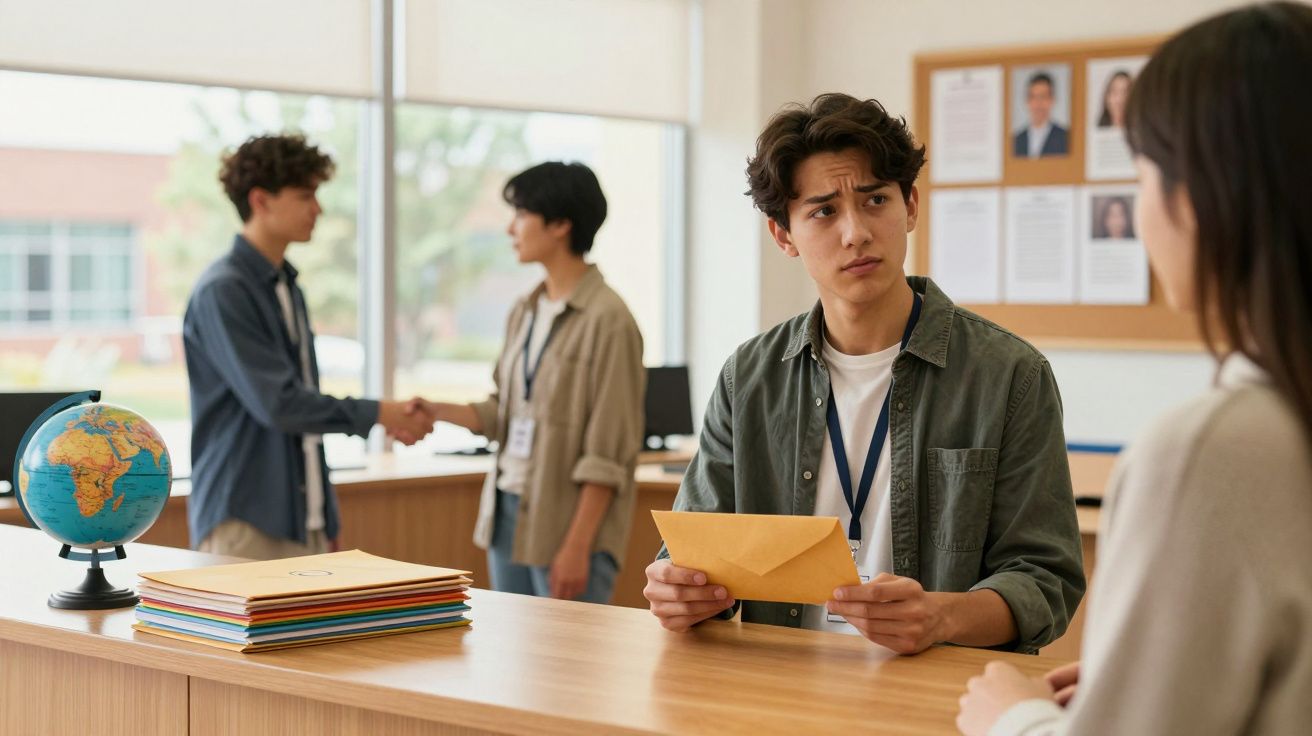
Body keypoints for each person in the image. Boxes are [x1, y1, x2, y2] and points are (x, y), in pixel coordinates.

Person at [958, 3, 1312, 732]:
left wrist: (1016, 717)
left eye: (1141, 173)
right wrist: (1147, 676)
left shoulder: (1209, 450)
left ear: (1202, 195)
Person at [644, 93, 1084, 655]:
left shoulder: (1010, 374)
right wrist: (679, 589)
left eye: (875, 200)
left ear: (911, 207)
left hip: (936, 689)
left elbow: (1046, 580)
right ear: (783, 235)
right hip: (781, 682)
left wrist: (941, 617)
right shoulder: (749, 378)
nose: (855, 232)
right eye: (824, 211)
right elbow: (692, 552)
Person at [183, 134, 434, 560]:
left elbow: (301, 413)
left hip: (301, 518)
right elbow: (281, 405)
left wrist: (324, 518)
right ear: (260, 200)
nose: (318, 209)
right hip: (245, 518)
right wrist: (380, 413)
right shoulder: (225, 290)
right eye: (305, 195)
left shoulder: (285, 285)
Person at [410, 162, 645, 604]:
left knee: (567, 650)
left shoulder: (609, 320)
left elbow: (608, 454)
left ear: (560, 225)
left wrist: (577, 546)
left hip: (568, 525)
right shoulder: (525, 310)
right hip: (508, 514)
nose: (509, 229)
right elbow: (502, 412)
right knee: (510, 648)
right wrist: (436, 411)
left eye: (520, 214)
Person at [1013, 72, 1070, 157]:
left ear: (1052, 100)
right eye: (1034, 97)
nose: (1038, 103)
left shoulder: (1066, 138)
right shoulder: (1016, 140)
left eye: (1043, 97)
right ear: (1027, 101)